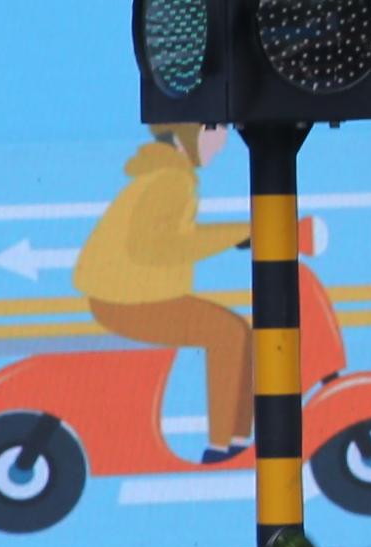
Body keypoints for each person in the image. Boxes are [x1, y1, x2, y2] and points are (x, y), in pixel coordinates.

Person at [76, 125, 257, 465]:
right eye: (214, 129)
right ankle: (220, 447)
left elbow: (169, 238)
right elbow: (156, 248)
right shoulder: (171, 181)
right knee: (229, 334)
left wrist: (237, 233)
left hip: (137, 295)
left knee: (239, 331)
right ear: (187, 135)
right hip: (127, 300)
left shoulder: (169, 176)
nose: (222, 141)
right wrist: (236, 234)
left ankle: (236, 441)